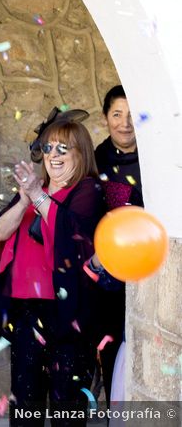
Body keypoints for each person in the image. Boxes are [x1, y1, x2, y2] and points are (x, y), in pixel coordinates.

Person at [0, 118, 105, 425]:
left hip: (68, 314)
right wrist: (25, 198)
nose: (54, 154)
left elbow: (75, 235)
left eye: (63, 148)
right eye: (48, 147)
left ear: (81, 154)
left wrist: (38, 196)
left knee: (67, 405)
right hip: (27, 312)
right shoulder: (33, 192)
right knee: (27, 402)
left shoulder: (88, 190)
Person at [86, 84, 141, 404]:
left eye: (132, 115)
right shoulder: (95, 162)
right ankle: (115, 413)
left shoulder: (156, 160)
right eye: (117, 114)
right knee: (110, 342)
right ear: (106, 118)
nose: (125, 123)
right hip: (109, 273)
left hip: (152, 266)